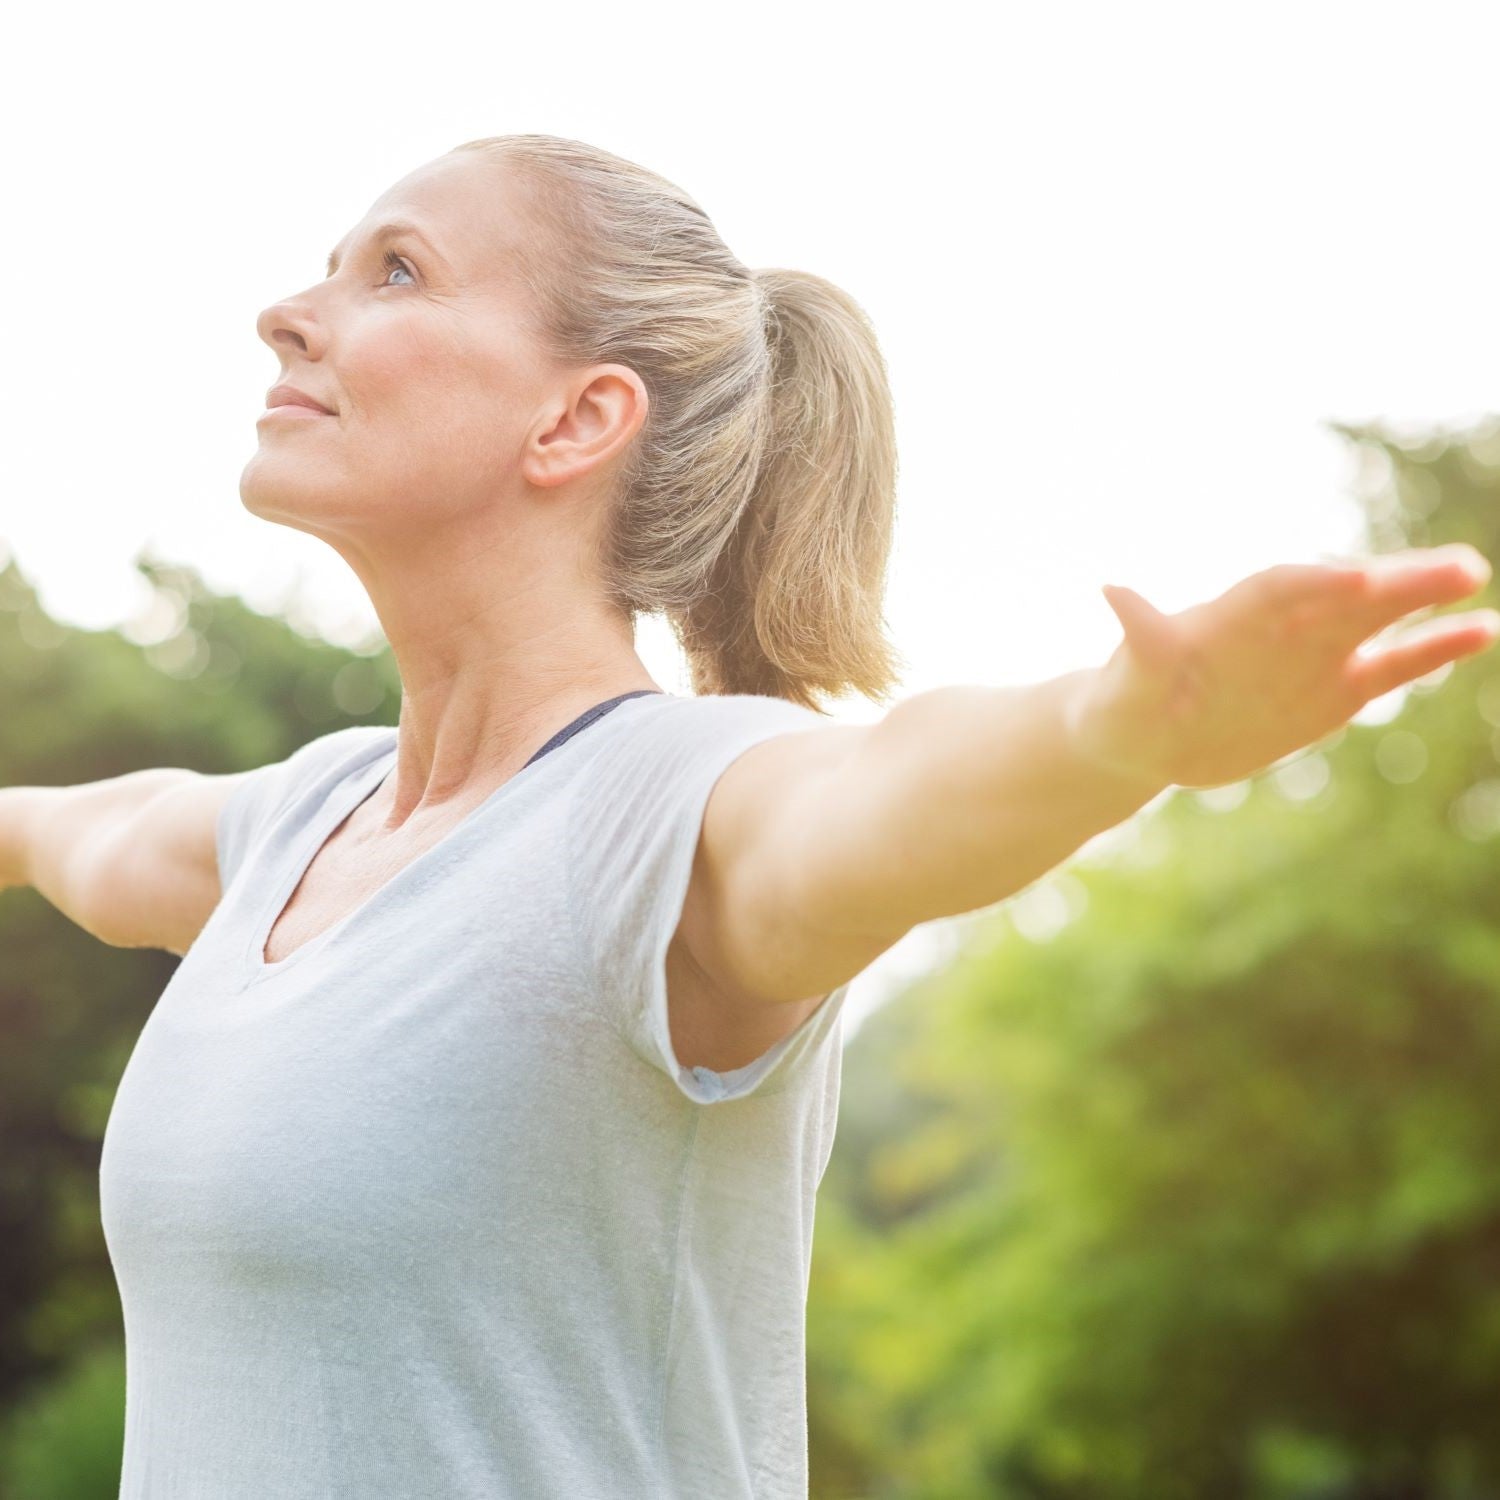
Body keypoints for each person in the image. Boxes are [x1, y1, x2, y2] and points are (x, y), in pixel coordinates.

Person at [1, 133, 1496, 1500]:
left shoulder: (668, 808)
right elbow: (84, 828)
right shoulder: (295, 825)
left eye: (395, 269)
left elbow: (886, 791)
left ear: (578, 419)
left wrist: (1111, 731)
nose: (291, 311)